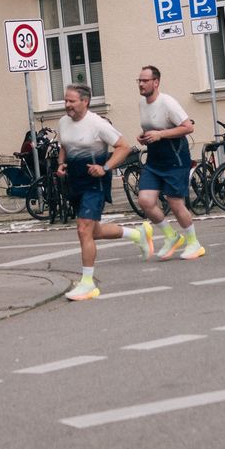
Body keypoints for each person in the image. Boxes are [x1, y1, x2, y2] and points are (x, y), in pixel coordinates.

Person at [55, 84, 147, 300]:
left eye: (71, 101)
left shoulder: (98, 123)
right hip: (74, 179)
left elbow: (124, 147)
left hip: (94, 178)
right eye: (65, 101)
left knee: (83, 229)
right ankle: (137, 234)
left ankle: (87, 283)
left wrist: (105, 168)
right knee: (93, 231)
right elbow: (64, 145)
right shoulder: (63, 121)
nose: (67, 105)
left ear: (84, 102)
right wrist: (61, 164)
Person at [135, 66, 205, 260]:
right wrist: (145, 137)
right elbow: (152, 128)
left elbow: (188, 127)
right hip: (154, 160)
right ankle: (171, 236)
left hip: (175, 158)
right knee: (145, 201)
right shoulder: (142, 103)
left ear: (155, 82)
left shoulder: (167, 102)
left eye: (145, 81)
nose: (141, 84)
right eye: (139, 81)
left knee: (175, 202)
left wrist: (160, 134)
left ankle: (194, 243)